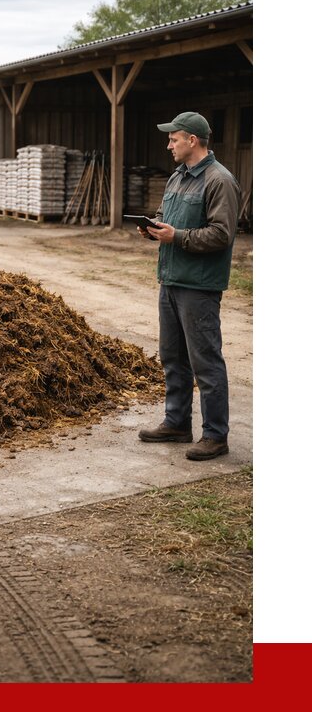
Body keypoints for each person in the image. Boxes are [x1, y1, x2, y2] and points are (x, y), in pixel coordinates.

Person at [137, 111, 241, 461]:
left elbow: (222, 234)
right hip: (171, 280)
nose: (169, 144)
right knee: (173, 357)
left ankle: (215, 436)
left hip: (198, 286)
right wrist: (155, 227)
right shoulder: (178, 177)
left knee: (205, 363)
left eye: (174, 139)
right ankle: (178, 423)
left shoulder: (219, 180)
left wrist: (176, 236)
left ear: (192, 141)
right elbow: (171, 219)